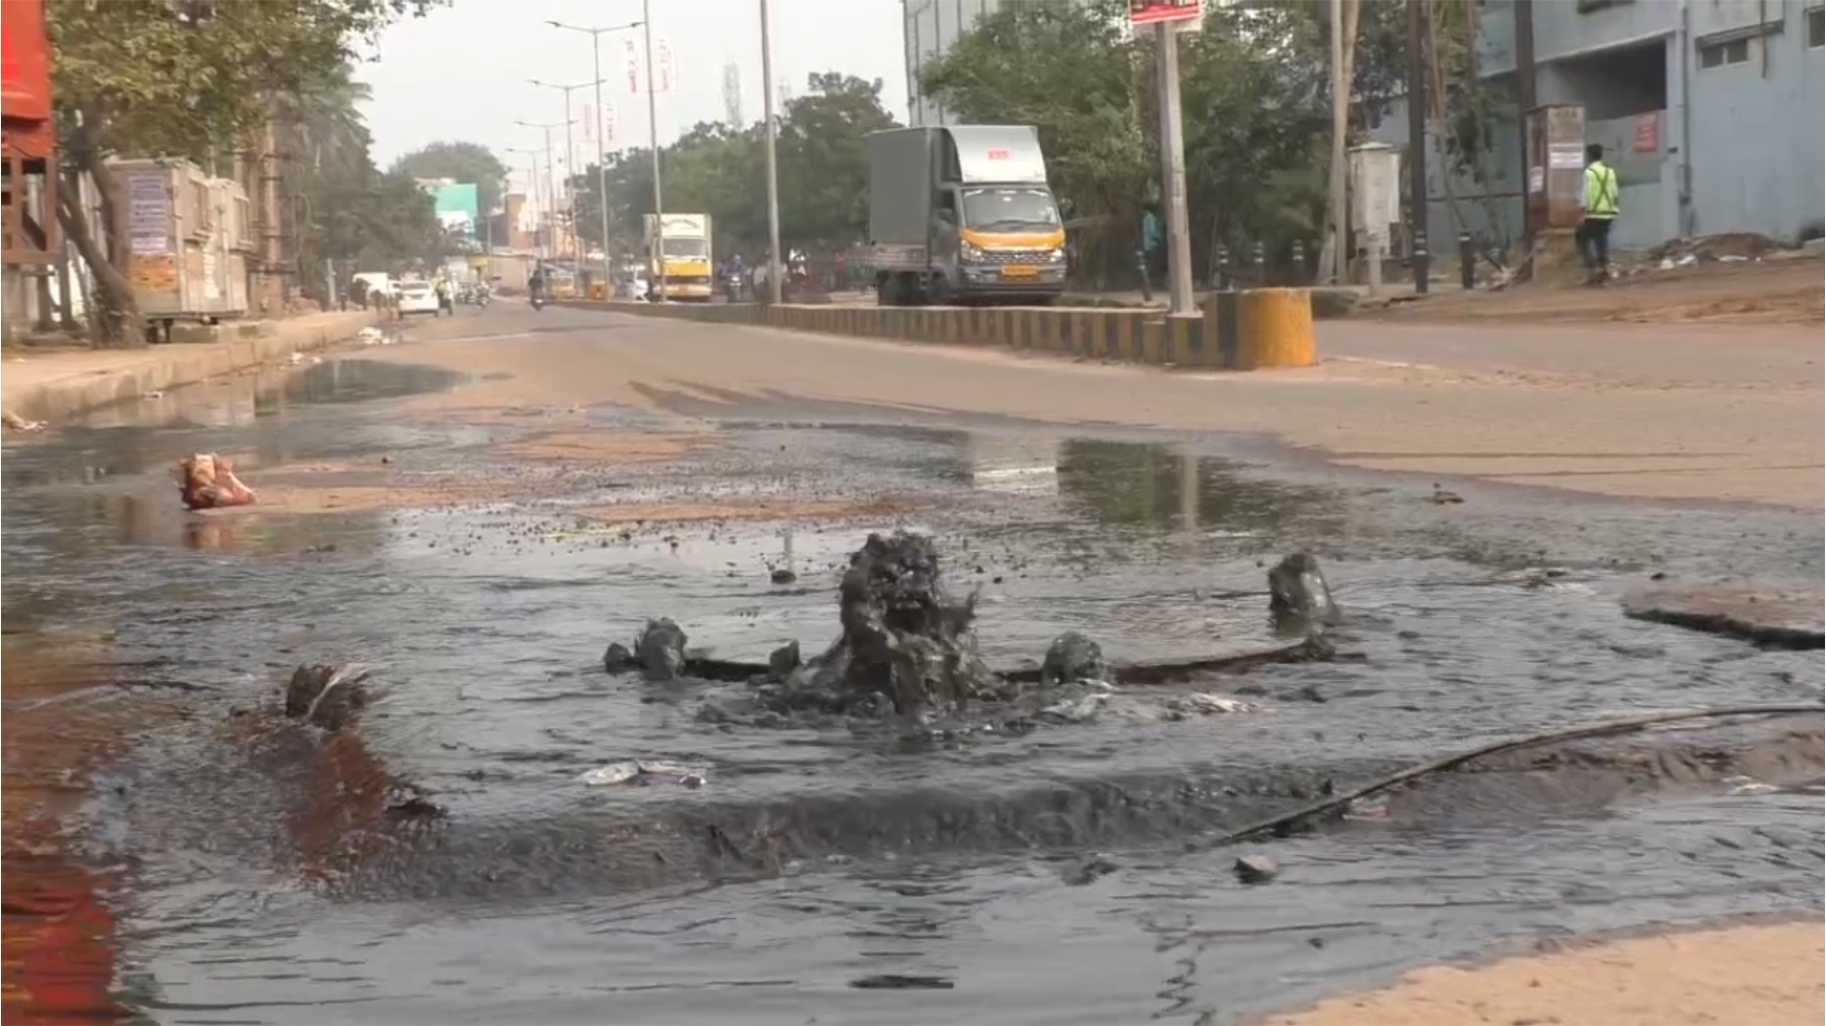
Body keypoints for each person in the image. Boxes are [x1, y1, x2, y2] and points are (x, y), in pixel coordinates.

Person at [1576, 143, 1620, 282]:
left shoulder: (1589, 173)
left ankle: (1592, 268)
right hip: (1608, 212)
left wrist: (1582, 213)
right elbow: (1614, 192)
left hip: (1594, 213)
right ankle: (1603, 267)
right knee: (1602, 239)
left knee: (1581, 237)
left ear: (1589, 156)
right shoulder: (1610, 171)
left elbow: (1585, 194)